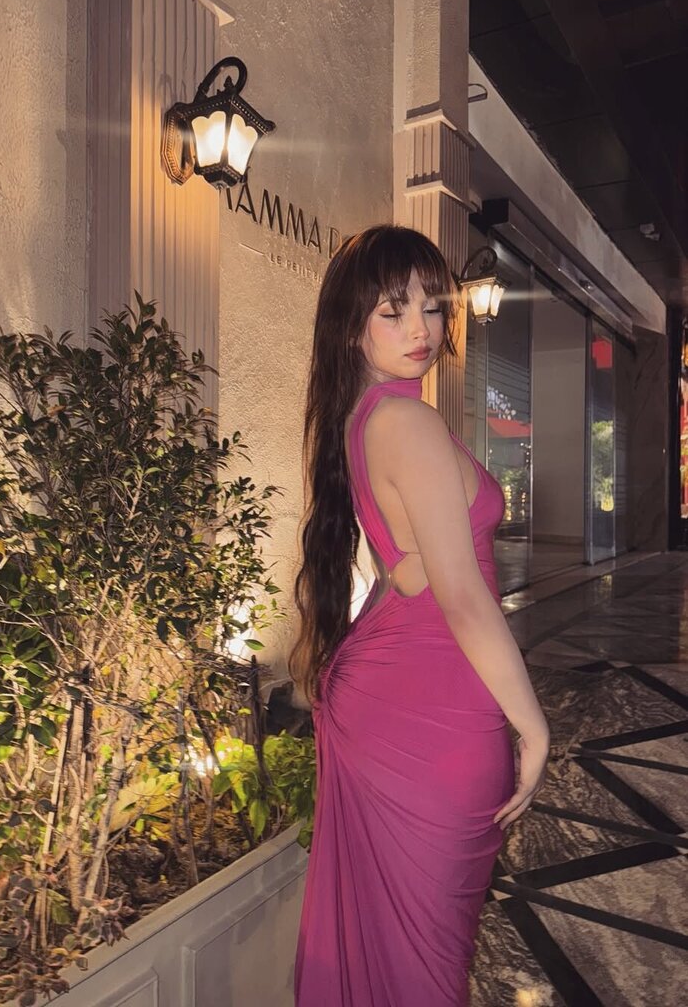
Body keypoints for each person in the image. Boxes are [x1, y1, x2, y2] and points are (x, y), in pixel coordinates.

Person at [289, 225, 550, 1006]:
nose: (421, 329)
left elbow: (408, 572)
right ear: (353, 326)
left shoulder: (366, 418)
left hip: (400, 699)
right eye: (393, 310)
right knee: (427, 961)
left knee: (412, 951)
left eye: (432, 307)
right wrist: (534, 727)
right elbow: (463, 598)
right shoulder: (406, 423)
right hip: (432, 717)